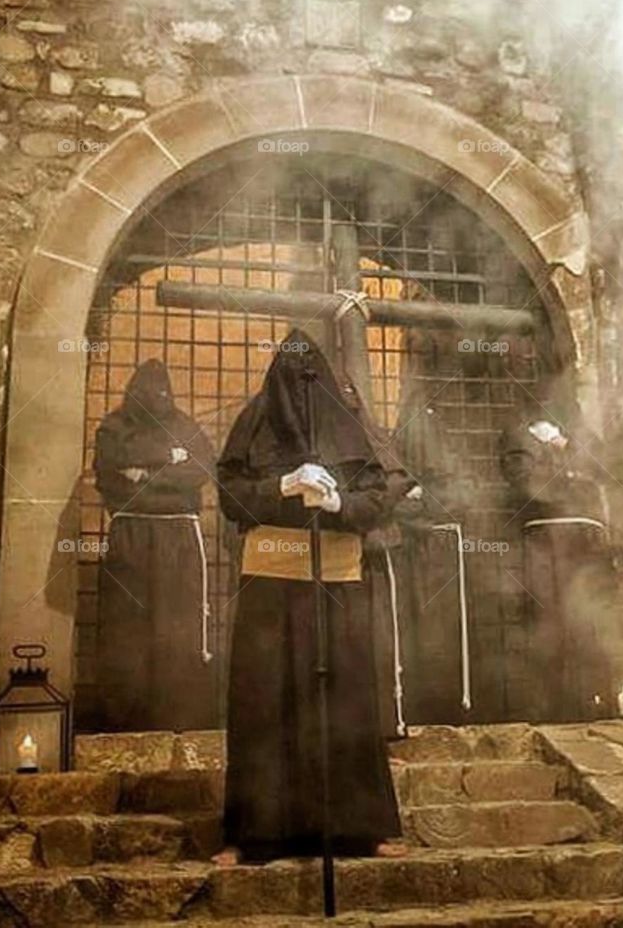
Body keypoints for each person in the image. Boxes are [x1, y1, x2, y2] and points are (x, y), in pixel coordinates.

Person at [215, 331, 406, 864]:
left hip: (336, 580)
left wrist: (339, 501)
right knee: (264, 703)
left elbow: (386, 492)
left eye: (308, 381)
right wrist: (282, 485)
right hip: (270, 579)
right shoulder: (255, 418)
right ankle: (254, 834)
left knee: (344, 703)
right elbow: (230, 494)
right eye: (288, 379)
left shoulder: (347, 419)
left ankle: (360, 828)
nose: (297, 391)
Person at [94, 359, 216, 731]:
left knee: (178, 628)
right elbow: (110, 475)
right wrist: (167, 463)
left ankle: (179, 720)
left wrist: (144, 473)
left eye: (162, 392)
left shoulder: (185, 427)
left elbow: (201, 471)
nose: (155, 398)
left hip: (179, 538)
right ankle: (125, 722)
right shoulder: (113, 428)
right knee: (126, 629)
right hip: (130, 538)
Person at [500, 381, 615, 721]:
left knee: (588, 624)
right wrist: (569, 471)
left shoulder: (579, 435)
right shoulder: (517, 434)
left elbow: (604, 468)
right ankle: (552, 712)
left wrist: (566, 449)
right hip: (545, 544)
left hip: (585, 542)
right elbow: (529, 484)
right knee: (549, 628)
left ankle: (592, 707)